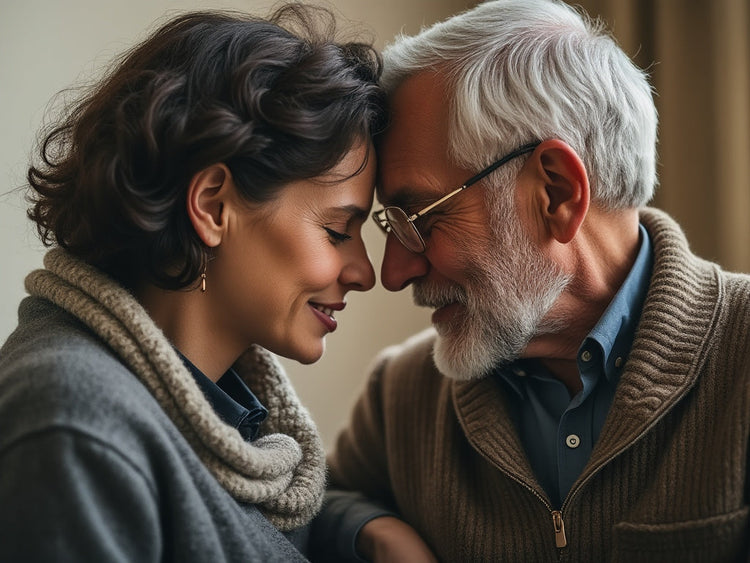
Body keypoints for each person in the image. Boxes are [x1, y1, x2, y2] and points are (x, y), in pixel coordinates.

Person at [310, 0, 750, 561]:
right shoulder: (402, 397)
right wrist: (370, 530)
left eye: (419, 218)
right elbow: (318, 507)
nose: (393, 273)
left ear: (557, 193)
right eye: (389, 225)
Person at [0, 5, 385, 561]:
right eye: (336, 230)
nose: (366, 273)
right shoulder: (77, 432)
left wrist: (360, 530)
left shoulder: (223, 414)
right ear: (213, 206)